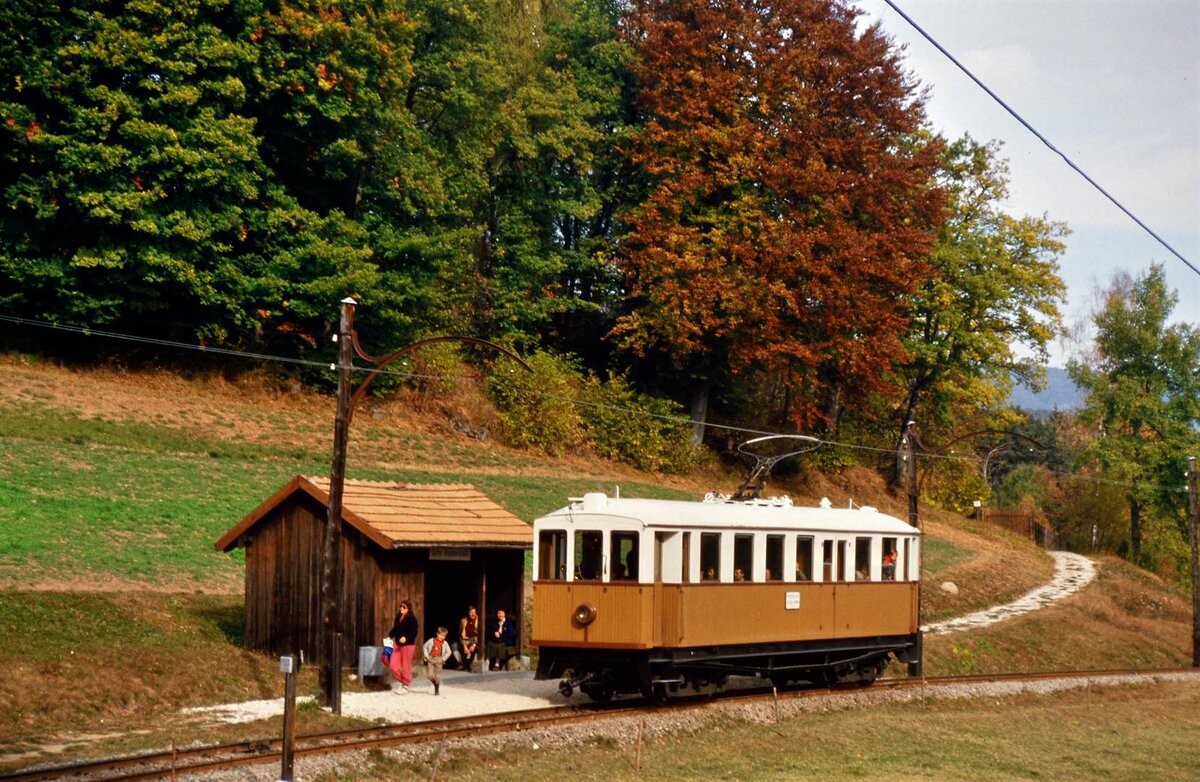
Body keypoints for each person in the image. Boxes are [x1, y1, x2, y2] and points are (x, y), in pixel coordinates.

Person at [387, 599, 418, 694]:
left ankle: (405, 685)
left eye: (404, 607)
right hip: (398, 645)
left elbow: (414, 632)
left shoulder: (412, 619)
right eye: (400, 606)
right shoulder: (398, 617)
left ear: (408, 608)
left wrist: (406, 638)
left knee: (405, 666)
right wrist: (390, 636)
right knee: (393, 665)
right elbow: (395, 629)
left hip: (408, 645)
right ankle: (404, 682)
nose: (401, 608)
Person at [423, 626, 452, 695]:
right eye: (441, 635)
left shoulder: (445, 643)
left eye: (444, 636)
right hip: (431, 658)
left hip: (439, 659)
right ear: (437, 634)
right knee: (429, 675)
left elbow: (449, 652)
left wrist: (443, 659)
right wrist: (426, 655)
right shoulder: (431, 641)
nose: (442, 637)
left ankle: (437, 689)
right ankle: (435, 684)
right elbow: (425, 647)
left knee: (437, 675)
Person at [458, 605, 479, 671]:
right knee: (455, 646)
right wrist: (464, 645)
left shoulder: (479, 620)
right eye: (471, 612)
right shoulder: (463, 620)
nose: (473, 614)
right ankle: (462, 664)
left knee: (474, 651)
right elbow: (460, 634)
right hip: (465, 640)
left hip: (475, 641)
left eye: (474, 612)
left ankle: (469, 665)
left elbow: (480, 635)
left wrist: (474, 645)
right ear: (468, 613)